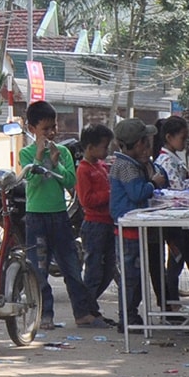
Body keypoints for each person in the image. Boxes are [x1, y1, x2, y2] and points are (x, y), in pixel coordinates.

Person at [21, 99, 99, 328]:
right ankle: (45, 315)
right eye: (45, 129)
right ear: (32, 129)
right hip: (36, 217)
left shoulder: (63, 152)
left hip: (59, 216)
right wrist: (38, 156)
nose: (51, 133)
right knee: (38, 269)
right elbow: (31, 182)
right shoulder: (25, 154)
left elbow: (70, 182)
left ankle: (82, 313)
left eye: (53, 127)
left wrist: (56, 164)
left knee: (71, 266)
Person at [107, 118, 163, 325]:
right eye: (145, 142)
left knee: (135, 276)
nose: (148, 147)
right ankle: (128, 317)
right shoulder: (127, 167)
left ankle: (130, 315)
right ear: (137, 144)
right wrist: (152, 183)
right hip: (129, 229)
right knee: (131, 278)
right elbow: (137, 193)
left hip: (131, 227)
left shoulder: (126, 163)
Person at [152, 114, 189, 309]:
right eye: (182, 138)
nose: (185, 142)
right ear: (169, 137)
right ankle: (171, 302)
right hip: (173, 217)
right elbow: (178, 191)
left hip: (181, 218)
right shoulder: (166, 160)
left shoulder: (174, 158)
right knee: (177, 262)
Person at [73, 124, 116, 322]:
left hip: (107, 223)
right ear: (90, 148)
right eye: (104, 147)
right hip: (94, 225)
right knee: (94, 271)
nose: (106, 151)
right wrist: (109, 194)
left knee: (107, 271)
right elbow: (86, 200)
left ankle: (91, 306)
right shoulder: (83, 170)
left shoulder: (100, 167)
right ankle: (86, 311)